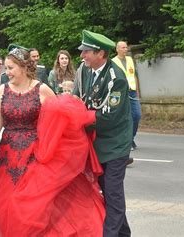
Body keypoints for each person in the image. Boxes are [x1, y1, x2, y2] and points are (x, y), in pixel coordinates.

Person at [0, 44, 104, 236]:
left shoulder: (42, 89)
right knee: (8, 205)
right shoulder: (2, 91)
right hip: (8, 157)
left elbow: (58, 120)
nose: (7, 72)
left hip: (35, 155)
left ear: (23, 67)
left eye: (10, 68)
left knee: (34, 207)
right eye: (6, 68)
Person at [73, 30, 133, 237]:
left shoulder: (116, 78)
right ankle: (124, 234)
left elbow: (108, 118)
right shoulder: (84, 70)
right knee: (107, 192)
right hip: (96, 144)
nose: (82, 56)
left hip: (115, 145)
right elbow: (76, 100)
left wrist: (78, 120)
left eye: (86, 52)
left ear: (101, 54)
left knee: (113, 193)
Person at [113, 41, 141, 162]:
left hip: (132, 92)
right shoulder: (113, 62)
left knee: (137, 115)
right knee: (126, 117)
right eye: (123, 47)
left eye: (126, 47)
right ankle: (127, 141)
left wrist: (138, 91)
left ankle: (131, 138)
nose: (126, 49)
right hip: (122, 92)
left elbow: (134, 75)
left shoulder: (130, 60)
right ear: (117, 49)